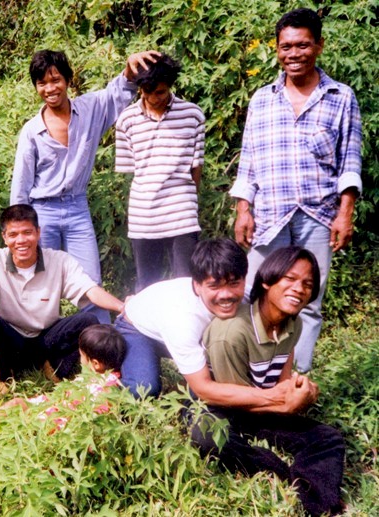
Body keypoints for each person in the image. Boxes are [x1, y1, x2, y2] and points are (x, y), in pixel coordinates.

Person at [230, 8, 363, 372]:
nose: (294, 54)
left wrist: (344, 212)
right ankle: (247, 375)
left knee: (308, 299)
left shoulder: (340, 96)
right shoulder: (262, 99)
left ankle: (294, 379)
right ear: (277, 50)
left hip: (317, 215)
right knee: (253, 293)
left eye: (303, 45)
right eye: (286, 46)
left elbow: (350, 161)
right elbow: (249, 162)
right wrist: (244, 209)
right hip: (269, 215)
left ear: (319, 46)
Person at [10, 49, 160, 322]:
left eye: (55, 80)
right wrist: (18, 230)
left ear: (68, 80)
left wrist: (129, 70)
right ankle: (44, 349)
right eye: (42, 83)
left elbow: (118, 93)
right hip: (42, 212)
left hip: (77, 209)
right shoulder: (32, 131)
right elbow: (20, 187)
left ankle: (100, 351)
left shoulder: (89, 110)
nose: (50, 88)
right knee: (39, 283)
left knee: (91, 281)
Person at [198, 246, 345, 516]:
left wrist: (301, 392)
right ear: (267, 280)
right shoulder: (231, 331)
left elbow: (281, 381)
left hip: (259, 404)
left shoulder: (293, 323)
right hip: (223, 406)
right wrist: (286, 406)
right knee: (211, 439)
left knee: (329, 438)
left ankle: (317, 505)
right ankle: (277, 471)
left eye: (307, 284)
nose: (299, 289)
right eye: (290, 279)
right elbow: (235, 403)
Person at [115, 238, 317, 414]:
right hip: (138, 328)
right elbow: (204, 389)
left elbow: (280, 329)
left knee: (218, 386)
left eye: (233, 283)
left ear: (244, 279)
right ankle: (104, 383)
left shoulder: (248, 296)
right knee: (144, 389)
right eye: (214, 286)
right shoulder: (182, 319)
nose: (226, 294)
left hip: (179, 329)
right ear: (197, 286)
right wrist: (272, 398)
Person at [0, 204, 125, 382]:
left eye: (27, 232)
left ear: (38, 233)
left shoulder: (59, 260)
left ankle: (54, 368)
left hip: (46, 339)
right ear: (4, 237)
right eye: (13, 235)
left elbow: (90, 290)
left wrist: (123, 306)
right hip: (11, 337)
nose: (21, 240)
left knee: (88, 321)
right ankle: (3, 374)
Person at [115, 53, 205, 292]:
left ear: (170, 87)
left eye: (160, 93)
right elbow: (133, 170)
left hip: (182, 214)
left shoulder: (193, 115)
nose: (153, 98)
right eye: (146, 91)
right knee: (147, 287)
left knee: (186, 286)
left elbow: (196, 168)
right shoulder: (126, 120)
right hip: (144, 216)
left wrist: (186, 201)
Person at [0, 323, 126, 435]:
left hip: (57, 421)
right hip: (54, 408)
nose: (80, 360)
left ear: (95, 364)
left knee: (15, 420)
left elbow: (86, 417)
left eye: (82, 356)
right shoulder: (100, 376)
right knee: (17, 403)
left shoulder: (105, 390)